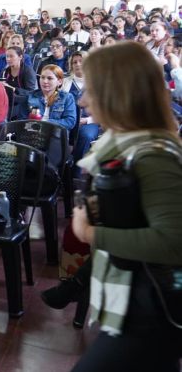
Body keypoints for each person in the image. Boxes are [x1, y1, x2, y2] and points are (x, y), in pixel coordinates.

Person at [62, 42, 182, 371]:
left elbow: (173, 241)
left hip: (149, 311)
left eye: (92, 90)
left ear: (118, 94)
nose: (84, 100)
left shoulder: (153, 155)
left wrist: (90, 232)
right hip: (137, 303)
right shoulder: (127, 144)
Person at [27, 65, 77, 130]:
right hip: (33, 132)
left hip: (56, 133)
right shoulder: (30, 96)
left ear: (59, 81)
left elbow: (70, 122)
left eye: (49, 78)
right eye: (42, 77)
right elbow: (21, 119)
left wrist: (45, 123)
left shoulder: (67, 97)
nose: (45, 81)